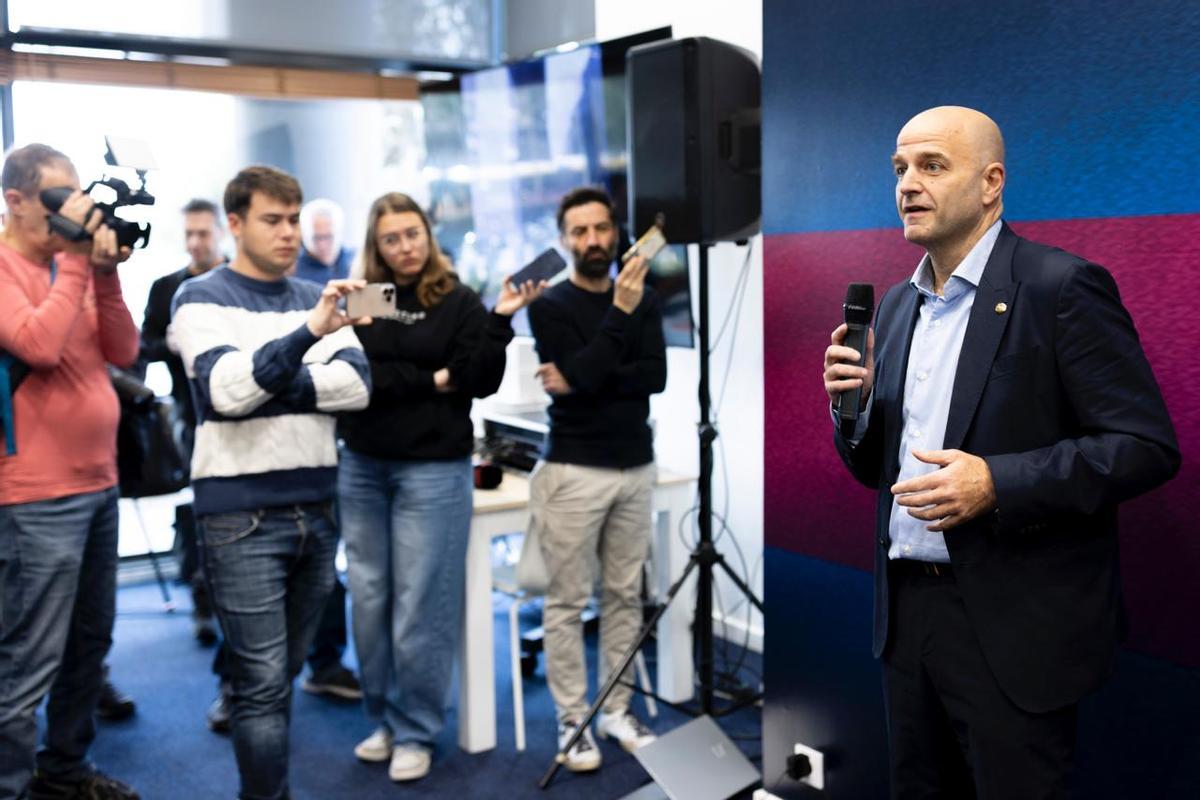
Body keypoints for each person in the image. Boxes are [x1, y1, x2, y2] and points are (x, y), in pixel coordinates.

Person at [822, 106, 1180, 798]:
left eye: (931, 166)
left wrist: (997, 482)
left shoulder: (1060, 287)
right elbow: (876, 471)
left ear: (990, 183)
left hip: (1010, 629)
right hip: (906, 620)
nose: (907, 185)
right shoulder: (897, 306)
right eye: (899, 168)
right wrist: (850, 410)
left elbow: (1144, 447)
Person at [171, 166, 371, 800]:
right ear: (235, 224)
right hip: (240, 516)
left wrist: (270, 381)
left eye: (294, 219)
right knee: (259, 688)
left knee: (279, 677)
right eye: (273, 220)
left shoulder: (318, 291)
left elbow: (358, 387)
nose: (289, 233)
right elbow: (226, 395)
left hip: (316, 507)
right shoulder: (198, 297)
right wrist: (310, 336)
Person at [337, 192, 543, 782]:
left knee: (421, 606)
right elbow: (364, 378)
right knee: (370, 600)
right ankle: (383, 717)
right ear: (375, 246)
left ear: (428, 234)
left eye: (413, 234)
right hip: (363, 466)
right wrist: (434, 376)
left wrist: (500, 318)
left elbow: (478, 378)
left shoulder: (455, 301)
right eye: (391, 238)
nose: (404, 247)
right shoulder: (364, 300)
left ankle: (417, 729)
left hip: (432, 470)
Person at [0, 143, 140, 799]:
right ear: (17, 200)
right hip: (34, 497)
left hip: (99, 482)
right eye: (61, 196)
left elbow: (123, 349)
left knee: (89, 644)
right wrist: (80, 263)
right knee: (28, 659)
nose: (72, 210)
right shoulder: (6, 268)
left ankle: (63, 772)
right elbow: (37, 344)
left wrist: (104, 273)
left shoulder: (72, 269)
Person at [526, 186, 666, 772]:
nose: (591, 241)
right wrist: (616, 322)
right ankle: (572, 718)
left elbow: (652, 376)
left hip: (636, 465)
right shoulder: (550, 305)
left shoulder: (647, 299)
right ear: (564, 240)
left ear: (616, 232)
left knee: (624, 596)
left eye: (600, 229)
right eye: (579, 231)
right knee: (565, 602)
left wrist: (589, 372)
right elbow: (584, 376)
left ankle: (615, 708)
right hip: (574, 470)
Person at [139, 197, 226, 645]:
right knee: (202, 508)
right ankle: (203, 598)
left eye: (203, 233)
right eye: (189, 234)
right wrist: (171, 343)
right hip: (191, 417)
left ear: (221, 233)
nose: (195, 242)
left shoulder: (238, 283)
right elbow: (143, 347)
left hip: (238, 415)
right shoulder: (165, 288)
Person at [295, 198, 353, 284]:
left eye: (328, 237)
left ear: (339, 234)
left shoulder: (356, 261)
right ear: (304, 236)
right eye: (316, 238)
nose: (323, 246)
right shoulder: (292, 268)